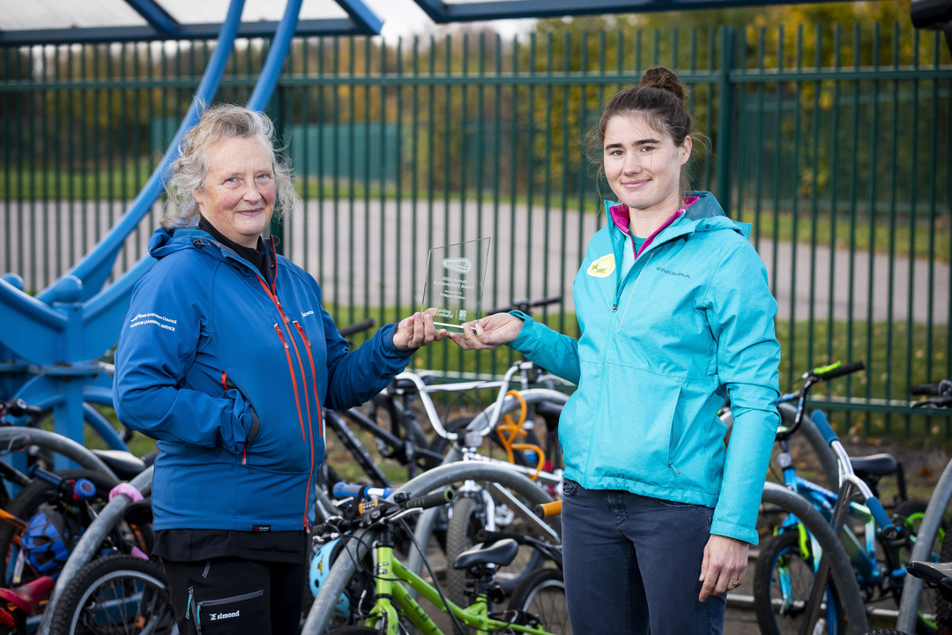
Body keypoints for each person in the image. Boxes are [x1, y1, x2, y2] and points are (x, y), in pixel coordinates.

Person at [449, 66, 781, 634]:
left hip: (676, 507)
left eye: (647, 147)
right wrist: (525, 334)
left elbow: (756, 402)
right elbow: (601, 365)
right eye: (616, 150)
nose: (630, 166)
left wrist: (734, 527)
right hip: (588, 499)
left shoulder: (727, 258)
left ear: (683, 149)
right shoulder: (604, 245)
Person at [113, 104, 446, 634]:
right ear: (198, 193)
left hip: (287, 525)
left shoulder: (292, 281)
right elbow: (137, 394)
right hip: (214, 530)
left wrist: (393, 344)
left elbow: (334, 382)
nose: (252, 192)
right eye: (233, 180)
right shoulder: (176, 278)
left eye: (262, 176)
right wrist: (236, 422)